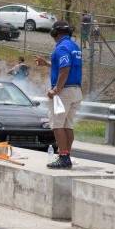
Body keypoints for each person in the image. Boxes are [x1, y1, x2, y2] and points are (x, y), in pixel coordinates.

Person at [34, 20, 83, 169]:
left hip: (64, 92)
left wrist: (56, 90)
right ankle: (66, 155)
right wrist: (47, 63)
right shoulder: (75, 47)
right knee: (68, 125)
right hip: (76, 90)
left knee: (57, 125)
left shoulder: (61, 48)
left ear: (55, 33)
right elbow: (65, 65)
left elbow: (65, 69)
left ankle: (62, 156)